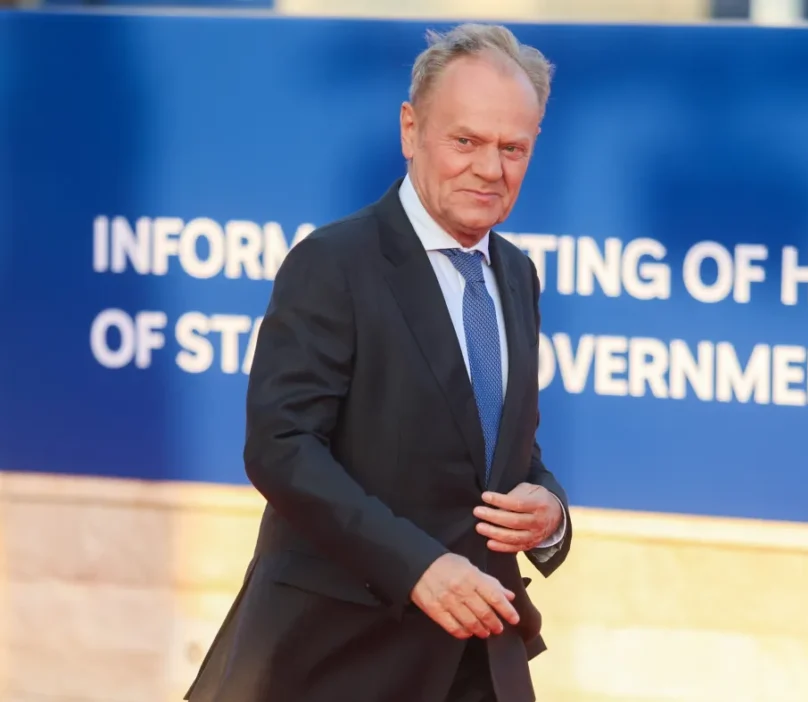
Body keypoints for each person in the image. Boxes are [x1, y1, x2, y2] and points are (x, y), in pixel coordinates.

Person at [185, 23, 571, 702]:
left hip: (481, 660)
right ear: (410, 130)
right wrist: (417, 567)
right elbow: (282, 449)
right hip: (337, 660)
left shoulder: (517, 275)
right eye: (466, 141)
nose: (491, 169)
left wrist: (549, 512)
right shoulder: (333, 263)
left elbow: (500, 450)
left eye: (512, 148)